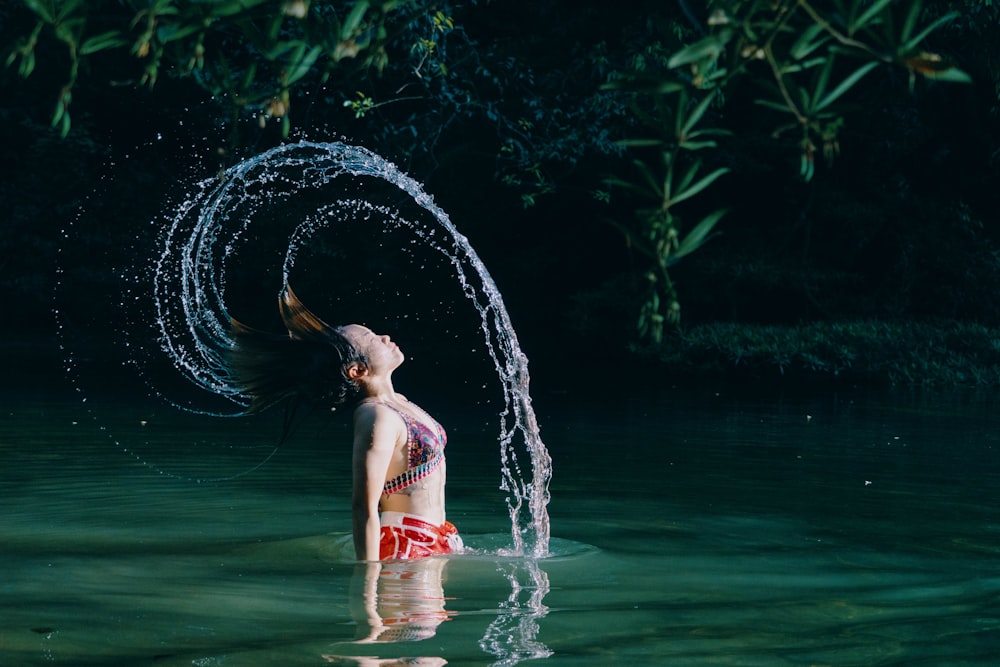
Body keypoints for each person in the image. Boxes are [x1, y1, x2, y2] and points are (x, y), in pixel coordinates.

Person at [225, 284, 462, 562]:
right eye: (373, 339)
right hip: (406, 549)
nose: (385, 337)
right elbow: (363, 507)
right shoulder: (375, 415)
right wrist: (366, 589)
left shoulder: (399, 401)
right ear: (357, 370)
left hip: (433, 540)